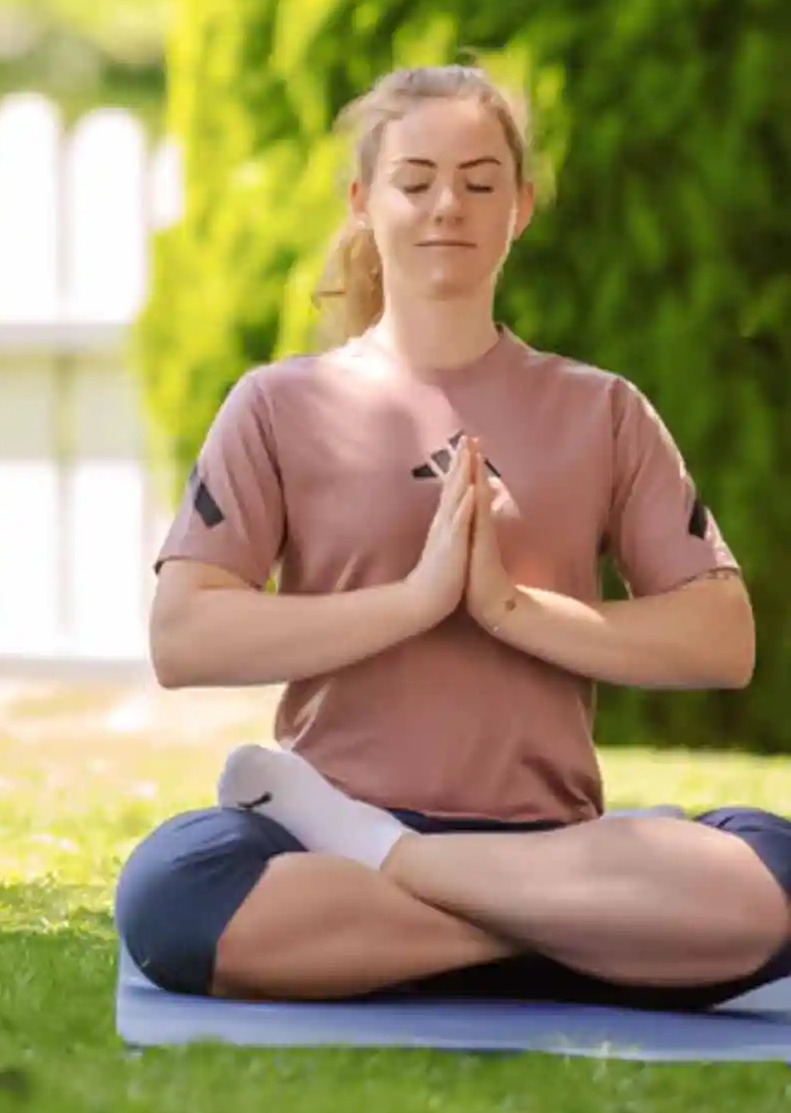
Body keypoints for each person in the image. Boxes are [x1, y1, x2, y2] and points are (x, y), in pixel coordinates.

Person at [115, 63, 791, 1010]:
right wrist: (414, 603)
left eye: (479, 184)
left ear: (519, 208)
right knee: (174, 891)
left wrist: (507, 608)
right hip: (327, 841)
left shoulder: (601, 410)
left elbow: (723, 641)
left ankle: (409, 876)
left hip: (549, 844)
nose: (448, 206)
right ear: (363, 202)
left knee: (775, 875)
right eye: (416, 179)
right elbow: (183, 638)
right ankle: (590, 941)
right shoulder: (277, 405)